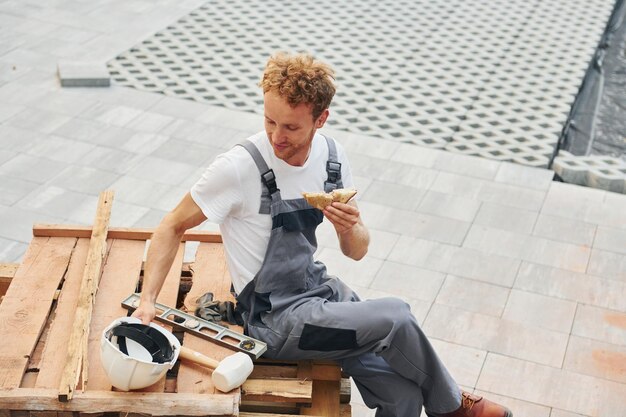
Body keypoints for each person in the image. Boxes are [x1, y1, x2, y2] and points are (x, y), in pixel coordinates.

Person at [132, 52, 513, 417]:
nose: (276, 136)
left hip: (321, 296)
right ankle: (452, 407)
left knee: (403, 394)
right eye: (269, 121)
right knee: (396, 315)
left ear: (321, 119)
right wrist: (149, 299)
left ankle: (441, 403)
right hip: (277, 321)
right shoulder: (238, 168)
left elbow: (357, 251)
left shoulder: (332, 158)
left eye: (291, 127)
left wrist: (351, 227)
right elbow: (172, 225)